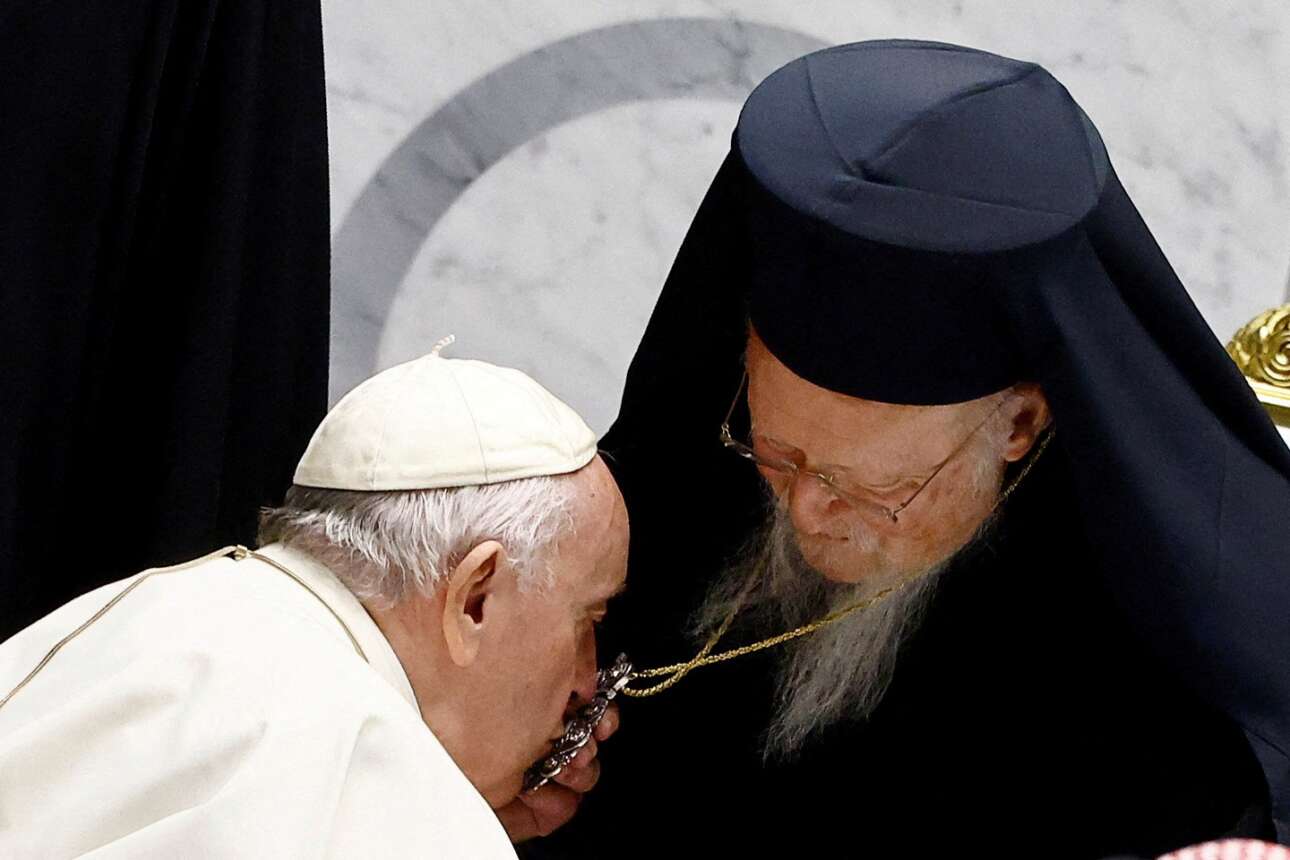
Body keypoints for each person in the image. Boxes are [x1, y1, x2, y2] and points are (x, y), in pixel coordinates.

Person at [527, 40, 1290, 859]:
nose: (804, 509)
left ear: (1019, 424)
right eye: (775, 453)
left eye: (866, 487)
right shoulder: (684, 482)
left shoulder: (1144, 663)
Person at [0, 346, 629, 857]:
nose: (587, 681)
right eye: (588, 619)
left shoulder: (150, 606)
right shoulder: (397, 815)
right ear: (475, 597)